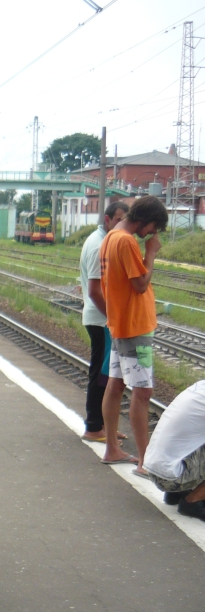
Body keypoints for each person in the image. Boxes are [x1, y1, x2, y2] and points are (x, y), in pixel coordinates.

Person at [99, 195, 168, 469]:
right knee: (143, 392)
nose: (152, 233)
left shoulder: (111, 236)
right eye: (154, 227)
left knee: (116, 385)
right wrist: (150, 254)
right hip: (135, 327)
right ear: (146, 220)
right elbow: (140, 285)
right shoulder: (126, 241)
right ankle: (145, 462)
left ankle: (112, 449)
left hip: (121, 324)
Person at [78, 202, 129, 443]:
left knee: (105, 374)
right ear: (107, 219)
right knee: (101, 374)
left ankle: (104, 425)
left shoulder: (102, 239)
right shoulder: (99, 244)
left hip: (101, 317)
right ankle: (93, 426)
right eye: (118, 220)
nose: (122, 225)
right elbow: (95, 290)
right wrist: (113, 317)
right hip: (101, 319)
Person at [143, 380, 205, 520]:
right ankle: (193, 501)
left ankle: (178, 493)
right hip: (171, 477)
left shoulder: (200, 386)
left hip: (160, 470)